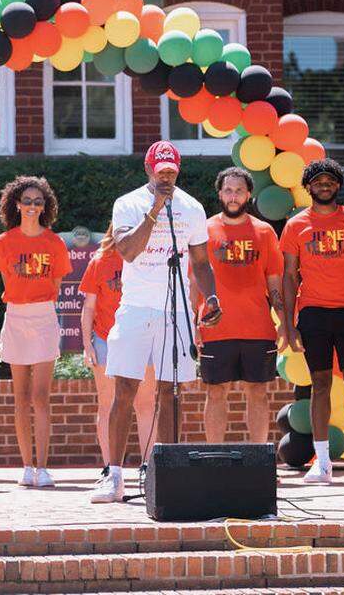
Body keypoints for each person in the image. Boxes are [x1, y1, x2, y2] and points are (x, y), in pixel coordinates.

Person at [89, 141, 222, 504]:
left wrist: (210, 298)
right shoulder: (128, 203)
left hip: (175, 309)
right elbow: (128, 250)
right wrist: (155, 209)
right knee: (125, 390)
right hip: (135, 307)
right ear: (149, 169)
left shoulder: (192, 207)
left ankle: (166, 471)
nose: (166, 176)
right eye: (160, 170)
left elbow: (200, 262)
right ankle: (113, 476)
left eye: (171, 171)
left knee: (170, 392)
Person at [280, 158, 344, 485]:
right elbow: (287, 276)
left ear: (338, 185)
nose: (324, 185)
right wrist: (289, 322)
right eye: (318, 181)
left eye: (330, 181)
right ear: (308, 187)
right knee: (319, 385)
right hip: (313, 314)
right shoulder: (296, 225)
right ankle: (321, 462)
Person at [0, 176, 72, 489]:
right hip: (16, 316)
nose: (33, 206)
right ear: (16, 204)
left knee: (41, 397)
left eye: (39, 202)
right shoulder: (4, 242)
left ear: (45, 206)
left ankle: (43, 467)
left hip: (44, 316)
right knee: (20, 397)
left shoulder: (54, 243)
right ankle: (26, 466)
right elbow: (7, 282)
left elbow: (58, 285)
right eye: (28, 201)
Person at [193, 167, 289, 443]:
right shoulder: (205, 230)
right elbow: (193, 282)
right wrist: (192, 323)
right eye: (228, 190)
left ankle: (259, 458)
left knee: (258, 392)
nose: (233, 196)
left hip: (258, 328)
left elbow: (275, 283)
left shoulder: (265, 232)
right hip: (215, 326)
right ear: (219, 193)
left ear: (248, 194)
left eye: (238, 191)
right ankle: (214, 456)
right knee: (215, 392)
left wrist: (283, 323)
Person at [79, 224, 158, 471]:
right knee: (107, 404)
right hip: (105, 339)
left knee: (145, 404)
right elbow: (89, 307)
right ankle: (109, 467)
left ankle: (148, 465)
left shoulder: (149, 260)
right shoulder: (100, 261)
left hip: (142, 337)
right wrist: (86, 344)